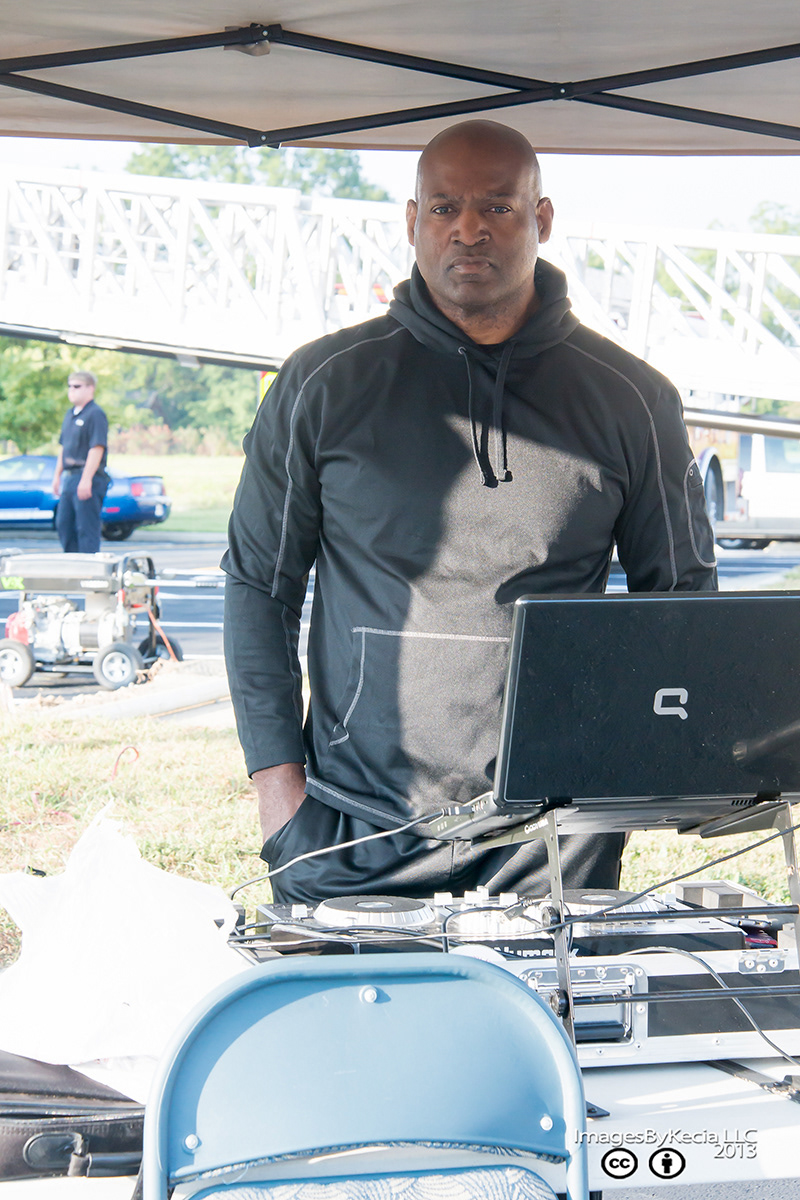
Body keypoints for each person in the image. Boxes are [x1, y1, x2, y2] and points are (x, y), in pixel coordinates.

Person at [223, 120, 717, 905]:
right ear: (411, 220)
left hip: (554, 838)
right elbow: (259, 584)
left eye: (497, 206)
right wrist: (279, 794)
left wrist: (627, 786)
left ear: (541, 218)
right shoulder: (323, 384)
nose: (469, 229)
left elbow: (684, 604)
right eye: (445, 207)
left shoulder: (632, 399)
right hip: (351, 826)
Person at [52, 371, 110, 554]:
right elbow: (64, 448)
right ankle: (73, 564)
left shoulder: (95, 414)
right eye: (70, 386)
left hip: (88, 477)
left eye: (77, 386)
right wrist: (57, 476)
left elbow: (97, 448)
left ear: (90, 388)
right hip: (70, 478)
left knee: (86, 527)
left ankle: (89, 566)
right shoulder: (70, 415)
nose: (72, 390)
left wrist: (86, 479)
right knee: (64, 524)